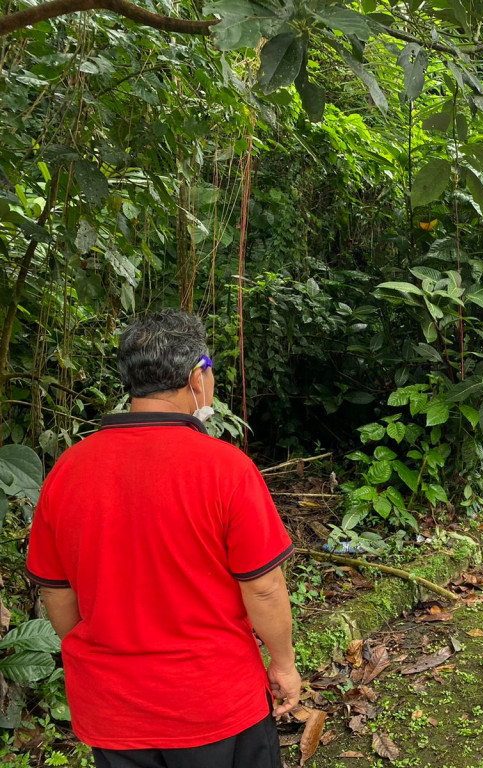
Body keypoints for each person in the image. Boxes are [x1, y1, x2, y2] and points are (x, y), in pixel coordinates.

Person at [27, 310, 300, 768]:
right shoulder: (225, 469)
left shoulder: (68, 471)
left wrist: (105, 657)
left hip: (112, 710)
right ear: (198, 376)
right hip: (213, 704)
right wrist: (284, 664)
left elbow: (56, 591)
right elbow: (264, 586)